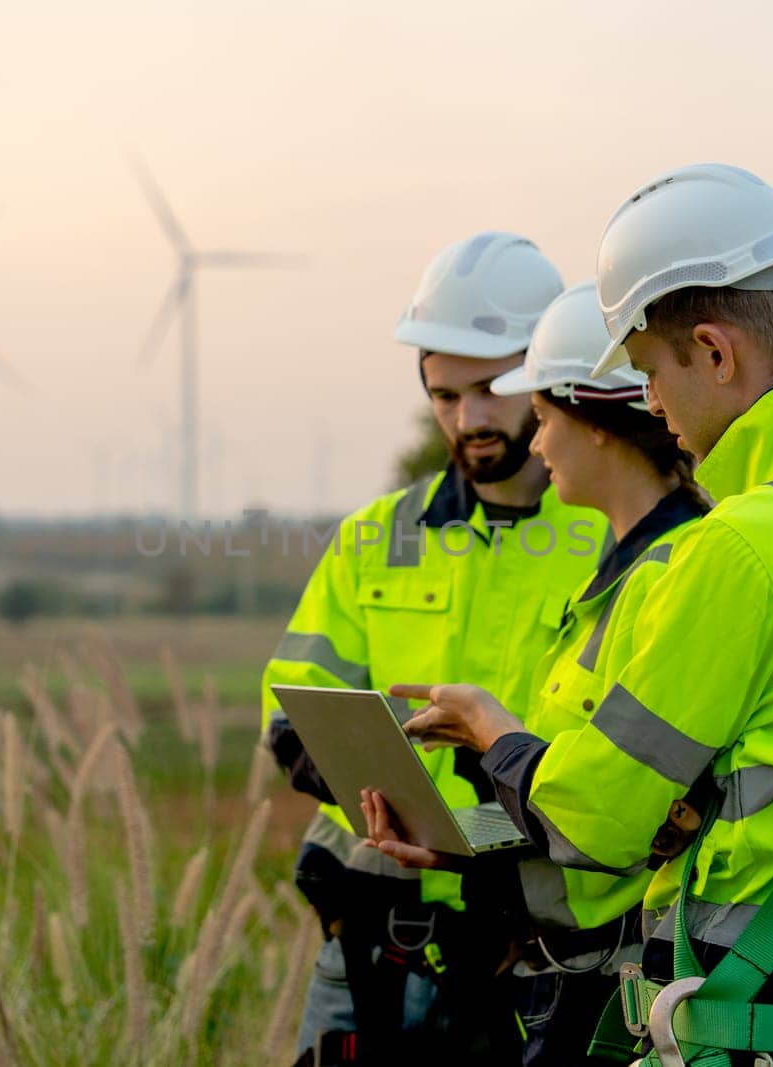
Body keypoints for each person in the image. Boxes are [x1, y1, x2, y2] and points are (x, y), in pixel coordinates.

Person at [364, 165, 773, 1065]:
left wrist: (494, 732)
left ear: (717, 354)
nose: (647, 405)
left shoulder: (744, 546)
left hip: (758, 1024)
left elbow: (594, 819)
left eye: (647, 370)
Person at [260, 232, 609, 1066]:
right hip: (374, 943)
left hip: (538, 951)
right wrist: (381, 799)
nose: (469, 418)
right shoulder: (376, 537)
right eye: (445, 394)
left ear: (551, 370)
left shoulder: (615, 536)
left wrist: (486, 827)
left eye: (492, 388)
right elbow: (293, 711)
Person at [473, 280, 710, 1063]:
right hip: (573, 976)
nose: (535, 445)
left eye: (543, 419)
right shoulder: (616, 574)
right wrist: (450, 838)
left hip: (623, 987)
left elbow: (627, 818)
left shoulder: (675, 576)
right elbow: (574, 788)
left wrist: (488, 731)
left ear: (599, 424)